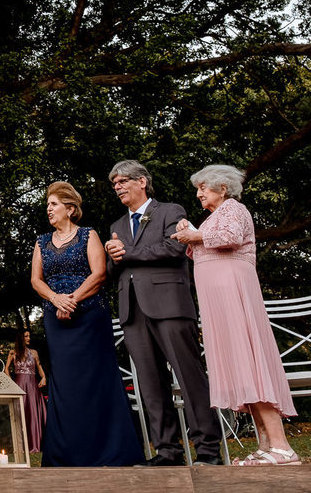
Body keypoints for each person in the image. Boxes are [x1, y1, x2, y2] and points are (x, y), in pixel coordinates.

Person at [172, 165, 299, 466]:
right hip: (219, 300)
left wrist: (195, 234)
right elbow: (205, 246)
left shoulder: (233, 209)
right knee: (241, 369)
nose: (199, 193)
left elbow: (229, 237)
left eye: (203, 187)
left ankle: (282, 447)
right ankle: (268, 445)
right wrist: (190, 234)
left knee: (250, 365)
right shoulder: (212, 218)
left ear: (223, 189)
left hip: (234, 294)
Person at [104, 160, 222, 465]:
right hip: (133, 312)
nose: (117, 187)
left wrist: (127, 253)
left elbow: (175, 249)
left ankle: (208, 449)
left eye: (123, 181)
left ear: (142, 181)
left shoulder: (171, 211)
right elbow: (111, 271)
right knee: (150, 384)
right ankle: (168, 450)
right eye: (114, 183)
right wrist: (112, 256)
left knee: (189, 377)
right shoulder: (117, 227)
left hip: (169, 305)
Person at [32, 181, 143, 467]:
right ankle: (67, 454)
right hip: (56, 321)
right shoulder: (42, 241)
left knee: (97, 380)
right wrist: (57, 300)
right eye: (47, 206)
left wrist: (72, 300)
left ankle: (111, 450)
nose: (49, 210)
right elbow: (36, 280)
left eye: (53, 205)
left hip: (90, 318)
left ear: (70, 209)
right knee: (66, 385)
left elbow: (99, 275)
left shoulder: (88, 235)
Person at [5, 329, 46, 453]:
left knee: (33, 414)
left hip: (32, 386)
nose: (29, 338)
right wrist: (11, 382)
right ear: (21, 338)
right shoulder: (13, 352)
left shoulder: (34, 352)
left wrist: (44, 377)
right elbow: (6, 369)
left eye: (29, 336)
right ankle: (21, 447)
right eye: (26, 336)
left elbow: (39, 367)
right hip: (19, 385)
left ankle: (35, 446)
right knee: (20, 413)